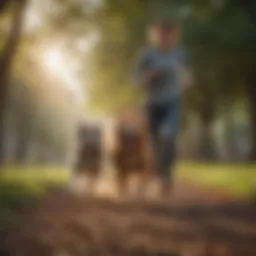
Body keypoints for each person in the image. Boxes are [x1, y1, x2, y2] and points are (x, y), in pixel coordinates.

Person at [132, 19, 192, 198]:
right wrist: (149, 76)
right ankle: (149, 174)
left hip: (172, 102)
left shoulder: (180, 54)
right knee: (152, 143)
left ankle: (166, 176)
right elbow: (135, 79)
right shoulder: (147, 55)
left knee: (169, 136)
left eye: (168, 34)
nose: (165, 37)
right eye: (161, 33)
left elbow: (187, 77)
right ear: (155, 35)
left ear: (173, 36)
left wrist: (184, 84)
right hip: (152, 103)